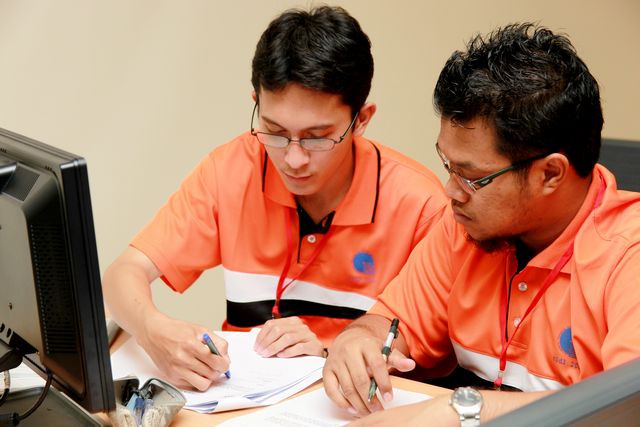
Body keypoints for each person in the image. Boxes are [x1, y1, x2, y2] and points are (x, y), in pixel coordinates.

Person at [102, 5, 447, 391]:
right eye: (275, 131)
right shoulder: (231, 169)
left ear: (362, 120)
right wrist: (154, 331)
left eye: (317, 138)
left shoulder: (421, 205)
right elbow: (123, 273)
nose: (294, 159)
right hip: (241, 401)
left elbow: (434, 356)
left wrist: (327, 355)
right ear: (256, 101)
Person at [323, 22, 640, 426]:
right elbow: (391, 325)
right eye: (448, 166)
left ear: (550, 174)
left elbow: (628, 411)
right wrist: (360, 338)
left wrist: (462, 410)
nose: (451, 191)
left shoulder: (628, 257)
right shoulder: (466, 226)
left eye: (472, 177)